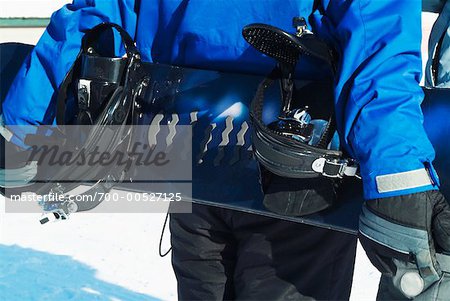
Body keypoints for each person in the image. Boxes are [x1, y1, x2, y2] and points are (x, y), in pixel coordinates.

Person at [2, 0, 449, 300]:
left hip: (193, 135)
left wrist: (22, 128)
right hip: (290, 154)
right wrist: (397, 174)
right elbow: (377, 32)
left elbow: (96, 12)